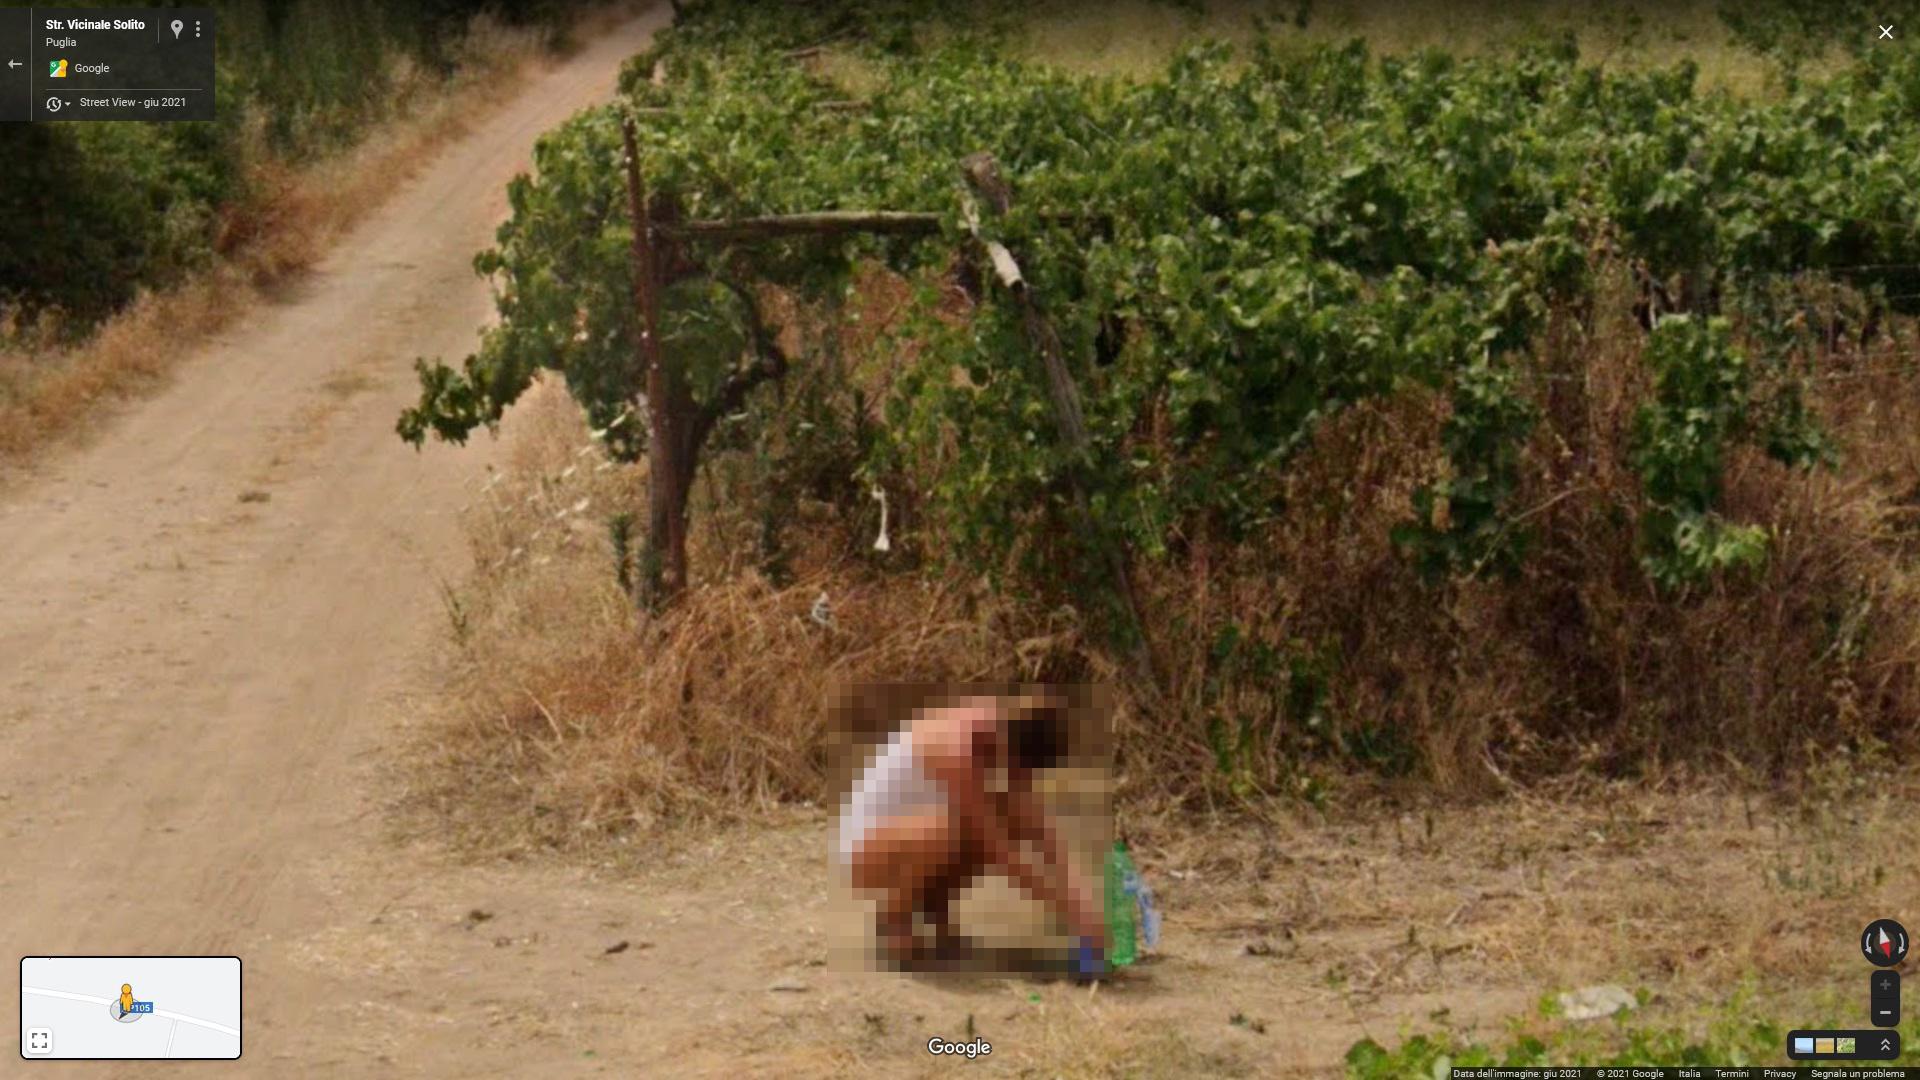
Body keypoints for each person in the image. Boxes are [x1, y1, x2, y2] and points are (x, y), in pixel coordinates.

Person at [834, 691, 1108, 974]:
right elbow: (1000, 850)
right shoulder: (958, 747)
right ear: (1008, 747)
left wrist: (1085, 905)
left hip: (904, 837)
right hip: (864, 852)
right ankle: (894, 916)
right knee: (950, 828)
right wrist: (1070, 911)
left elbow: (1040, 829)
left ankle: (933, 910)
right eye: (1019, 771)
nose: (1019, 779)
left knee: (1001, 816)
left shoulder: (997, 727)